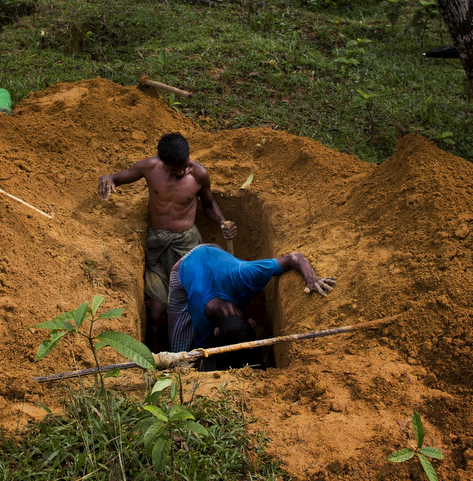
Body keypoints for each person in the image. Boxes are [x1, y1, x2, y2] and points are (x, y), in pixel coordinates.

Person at [98, 132, 236, 352]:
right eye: (175, 169)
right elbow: (117, 177)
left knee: (194, 307)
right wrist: (108, 178)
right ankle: (154, 358)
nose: (181, 172)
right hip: (158, 250)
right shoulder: (149, 168)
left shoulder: (199, 174)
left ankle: (196, 354)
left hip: (188, 248)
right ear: (162, 162)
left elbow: (209, 205)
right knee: (156, 314)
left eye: (184, 166)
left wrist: (222, 222)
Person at [166, 245, 335, 361]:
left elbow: (293, 258)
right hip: (184, 268)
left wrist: (311, 280)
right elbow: (206, 349)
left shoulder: (245, 275)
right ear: (216, 330)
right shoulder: (200, 313)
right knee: (181, 349)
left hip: (214, 251)